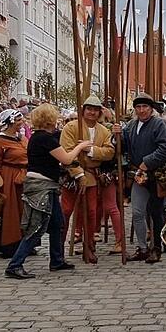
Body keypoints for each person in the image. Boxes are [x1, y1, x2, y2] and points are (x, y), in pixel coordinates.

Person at [5, 104, 91, 279]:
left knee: (57, 224)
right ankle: (15, 264)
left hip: (47, 185)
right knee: (36, 226)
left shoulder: (41, 137)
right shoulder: (44, 138)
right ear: (50, 119)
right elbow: (66, 158)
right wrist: (80, 147)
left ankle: (57, 260)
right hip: (40, 187)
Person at [113, 93, 166, 263]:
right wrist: (116, 135)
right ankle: (142, 248)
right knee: (137, 212)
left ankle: (156, 248)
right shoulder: (132, 126)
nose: (142, 110)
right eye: (138, 107)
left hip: (157, 174)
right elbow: (123, 146)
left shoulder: (159, 124)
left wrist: (146, 162)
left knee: (156, 213)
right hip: (139, 176)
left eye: (145, 107)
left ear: (151, 109)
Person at [60, 95, 118, 263]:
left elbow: (109, 152)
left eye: (95, 109)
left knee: (91, 213)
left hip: (92, 176)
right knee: (66, 211)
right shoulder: (71, 127)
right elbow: (67, 152)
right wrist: (78, 173)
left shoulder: (104, 131)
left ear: (100, 112)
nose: (92, 112)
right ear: (83, 110)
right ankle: (58, 248)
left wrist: (90, 150)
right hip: (72, 175)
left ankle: (89, 245)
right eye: (89, 109)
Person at [0, 110, 29, 257]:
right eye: (18, 120)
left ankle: (25, 243)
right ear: (10, 122)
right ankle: (10, 243)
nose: (22, 122)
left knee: (23, 211)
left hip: (22, 177)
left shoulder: (22, 138)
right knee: (11, 212)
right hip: (8, 178)